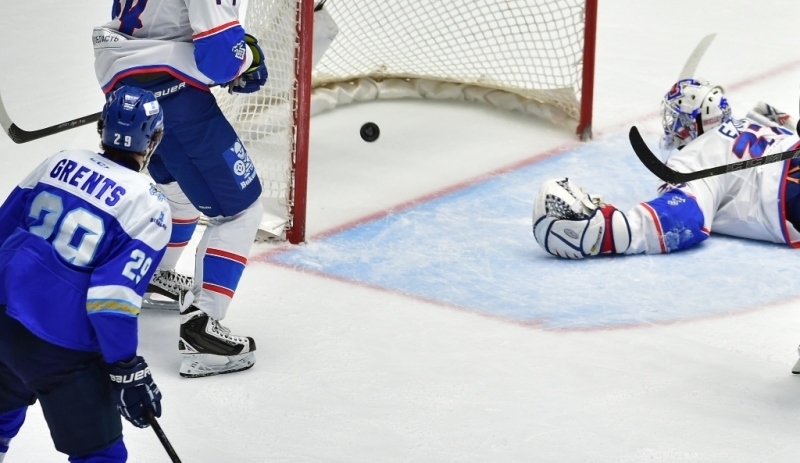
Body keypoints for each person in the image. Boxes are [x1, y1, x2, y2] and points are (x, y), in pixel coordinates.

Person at [92, 0, 267, 377]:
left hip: (126, 85)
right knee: (241, 210)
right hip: (177, 95)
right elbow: (219, 59)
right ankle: (204, 326)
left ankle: (154, 275)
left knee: (179, 192)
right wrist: (247, 59)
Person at [0, 87, 168, 462]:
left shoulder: (59, 161)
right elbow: (112, 301)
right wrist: (125, 366)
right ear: (154, 138)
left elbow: (2, 229)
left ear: (101, 127)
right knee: (101, 456)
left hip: (2, 321)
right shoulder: (150, 205)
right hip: (61, 348)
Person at [532, 77, 800, 260]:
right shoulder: (753, 125)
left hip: (787, 190)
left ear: (695, 122)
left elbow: (686, 216)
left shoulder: (697, 154)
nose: (674, 128)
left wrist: (605, 232)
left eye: (678, 120)